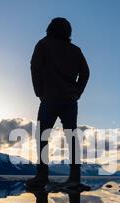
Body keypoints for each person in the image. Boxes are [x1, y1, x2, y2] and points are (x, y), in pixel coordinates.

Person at [26, 17, 90, 188]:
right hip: (70, 99)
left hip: (50, 98)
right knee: (72, 137)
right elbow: (85, 73)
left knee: (43, 136)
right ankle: (75, 178)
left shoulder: (44, 44)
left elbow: (35, 67)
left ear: (50, 28)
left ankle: (42, 176)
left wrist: (39, 91)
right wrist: (77, 92)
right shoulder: (75, 50)